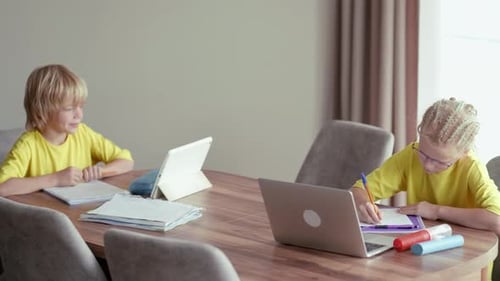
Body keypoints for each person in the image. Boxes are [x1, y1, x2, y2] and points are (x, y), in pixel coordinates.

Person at [351, 97, 500, 235]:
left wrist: (437, 211)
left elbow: (496, 220)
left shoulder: (472, 167)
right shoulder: (410, 155)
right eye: (423, 153)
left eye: (440, 162)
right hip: (421, 244)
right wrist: (363, 203)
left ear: (464, 153)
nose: (427, 165)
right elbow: (359, 190)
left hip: (469, 250)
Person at [0, 64, 134, 197]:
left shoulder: (84, 134)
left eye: (81, 106)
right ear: (43, 112)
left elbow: (126, 161)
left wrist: (100, 171)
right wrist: (55, 179)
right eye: (69, 108)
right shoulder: (28, 144)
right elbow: (3, 187)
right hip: (46, 214)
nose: (79, 115)